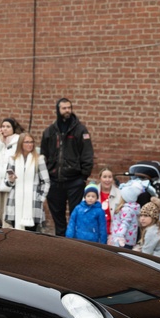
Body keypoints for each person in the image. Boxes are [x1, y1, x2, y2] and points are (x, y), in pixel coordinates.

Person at [40, 98, 94, 236]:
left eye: (69, 107)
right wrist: (47, 174)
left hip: (75, 181)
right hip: (54, 181)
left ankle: (74, 243)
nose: (67, 111)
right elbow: (43, 155)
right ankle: (60, 243)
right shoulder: (49, 132)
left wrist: (83, 176)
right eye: (64, 108)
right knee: (58, 217)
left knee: (75, 215)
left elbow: (87, 154)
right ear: (58, 110)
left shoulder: (80, 130)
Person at [1, 133, 50, 231]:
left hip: (33, 202)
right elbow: (7, 182)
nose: (30, 145)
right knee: (16, 233)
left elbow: (46, 182)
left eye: (31, 142)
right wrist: (11, 180)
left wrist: (40, 198)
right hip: (15, 202)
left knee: (32, 234)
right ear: (21, 144)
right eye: (27, 142)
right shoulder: (13, 159)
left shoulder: (39, 159)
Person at [0, 118, 23, 224]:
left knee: (7, 216)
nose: (5, 129)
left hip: (9, 186)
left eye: (8, 126)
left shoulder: (18, 142)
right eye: (3, 126)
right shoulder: (0, 142)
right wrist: (0, 140)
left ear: (13, 129)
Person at [108, 179, 145, 248]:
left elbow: (125, 224)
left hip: (122, 241)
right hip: (127, 240)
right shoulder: (131, 208)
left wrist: (119, 237)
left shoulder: (127, 210)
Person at [96, 166, 121, 239]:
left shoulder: (120, 194)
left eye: (110, 177)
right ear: (100, 178)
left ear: (113, 179)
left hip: (113, 234)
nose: (107, 180)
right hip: (95, 233)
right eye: (104, 177)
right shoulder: (92, 192)